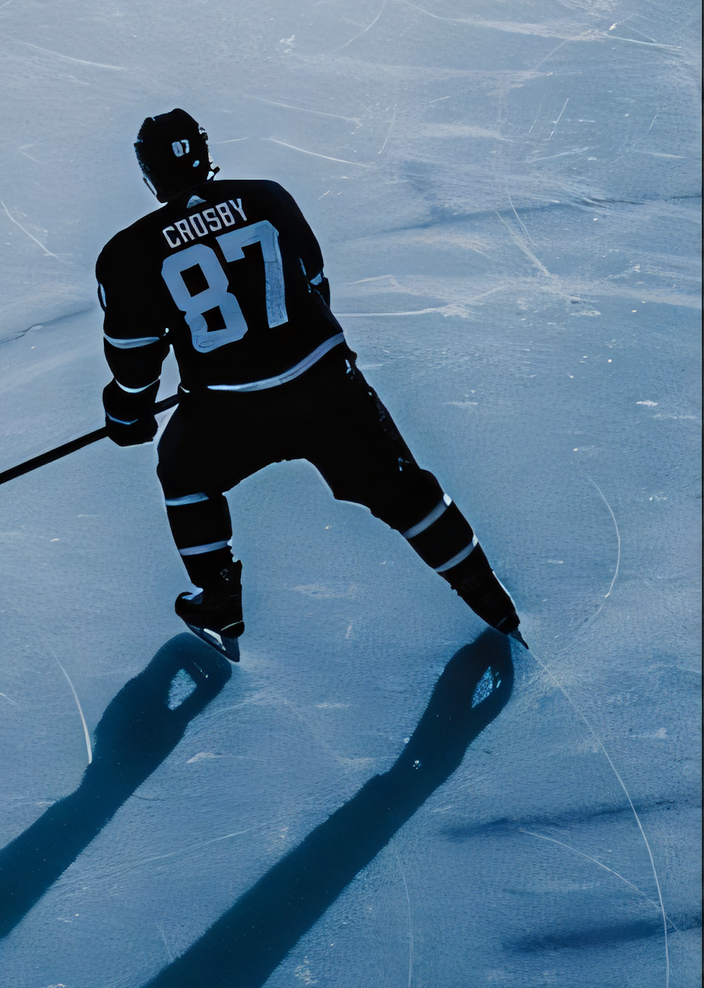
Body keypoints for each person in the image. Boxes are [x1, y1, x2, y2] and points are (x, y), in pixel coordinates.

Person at [96, 108, 523, 652]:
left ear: (149, 170)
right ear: (204, 152)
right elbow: (315, 283)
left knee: (183, 473)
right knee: (403, 489)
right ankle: (487, 593)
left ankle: (219, 599)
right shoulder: (267, 197)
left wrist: (127, 412)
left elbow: (135, 357)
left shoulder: (128, 252)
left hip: (229, 409)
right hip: (326, 387)